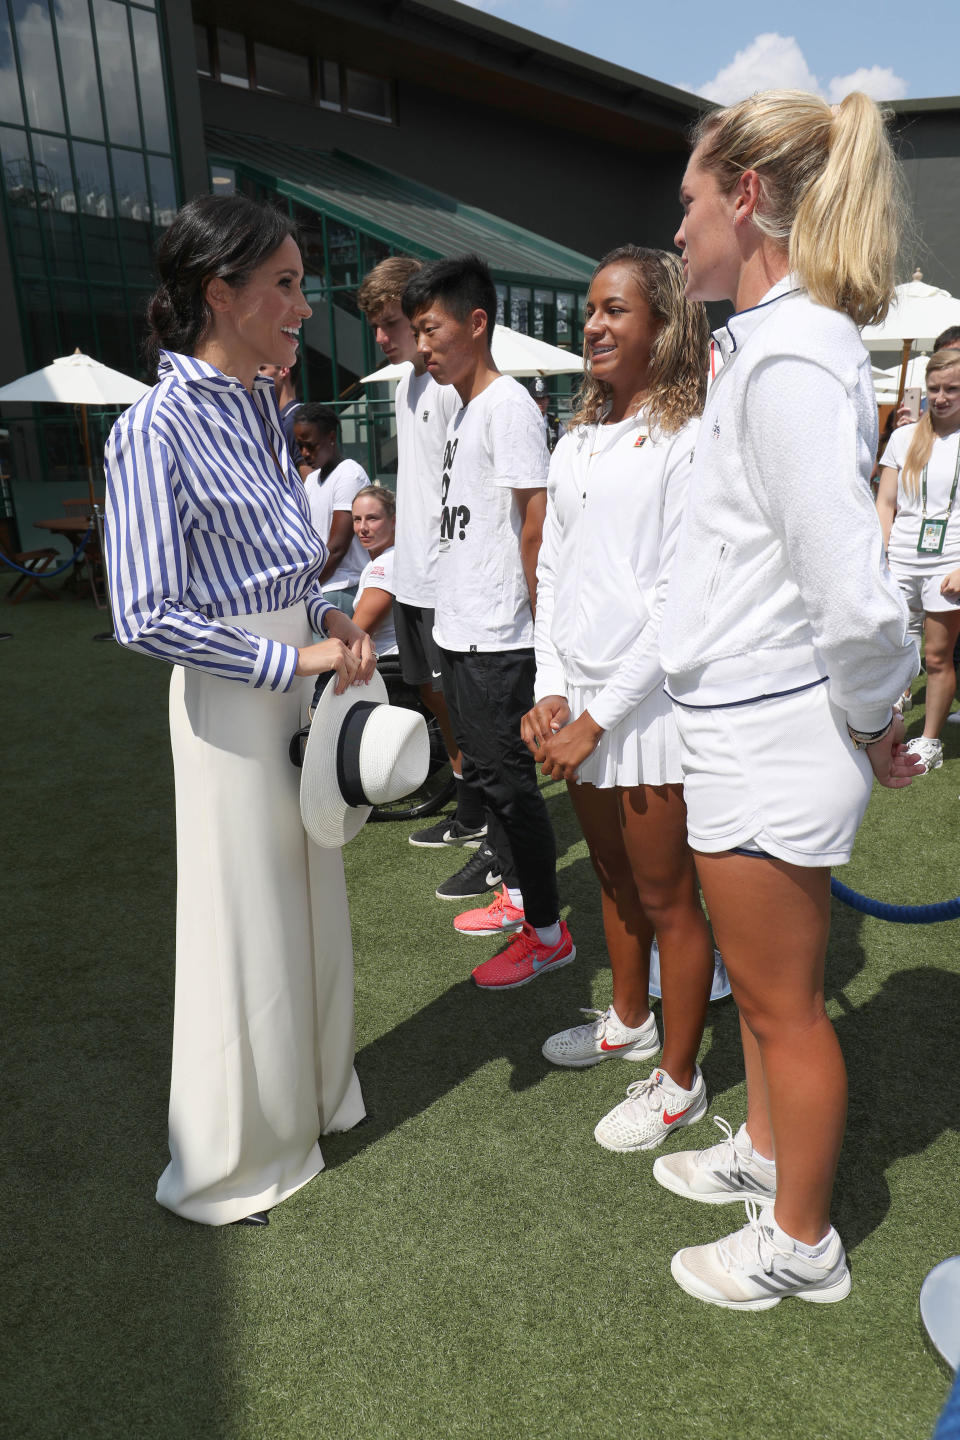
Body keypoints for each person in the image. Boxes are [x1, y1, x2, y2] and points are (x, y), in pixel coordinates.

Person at [653, 90, 920, 1309]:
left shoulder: (795, 358)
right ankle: (765, 1158)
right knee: (764, 1004)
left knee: (782, 1006)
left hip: (774, 728)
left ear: (746, 199)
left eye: (693, 203)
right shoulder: (770, 346)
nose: (682, 228)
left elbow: (855, 598)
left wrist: (876, 720)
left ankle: (801, 1243)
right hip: (745, 723)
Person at [103, 194, 375, 1227]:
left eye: (302, 283)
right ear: (220, 292)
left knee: (311, 893)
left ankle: (309, 1101)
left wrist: (333, 618)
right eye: (286, 285)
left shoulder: (262, 408)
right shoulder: (152, 427)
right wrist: (287, 656)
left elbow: (283, 565)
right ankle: (234, 1155)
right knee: (245, 916)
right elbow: (143, 612)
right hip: (229, 702)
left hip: (296, 675)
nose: (304, 306)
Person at [522, 246, 717, 1150]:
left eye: (615, 310)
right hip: (585, 708)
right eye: (590, 310)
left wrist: (599, 718)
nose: (593, 325)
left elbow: (683, 602)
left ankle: (680, 1079)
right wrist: (552, 693)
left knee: (668, 895)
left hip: (654, 710)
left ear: (664, 325)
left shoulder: (691, 439)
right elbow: (553, 573)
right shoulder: (574, 439)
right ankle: (628, 1018)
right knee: (609, 878)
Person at [403, 253, 574, 989]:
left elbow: (536, 519)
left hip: (502, 634)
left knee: (510, 786)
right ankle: (515, 896)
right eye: (416, 331)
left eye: (431, 329)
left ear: (476, 323)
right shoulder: (469, 408)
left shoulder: (506, 407)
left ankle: (548, 931)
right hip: (463, 625)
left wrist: (543, 633)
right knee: (488, 775)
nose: (422, 346)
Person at [356, 259, 491, 882]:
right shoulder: (405, 386)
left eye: (391, 325)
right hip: (410, 576)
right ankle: (469, 808)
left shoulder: (448, 386)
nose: (382, 338)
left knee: (468, 707)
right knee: (439, 701)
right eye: (379, 326)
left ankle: (486, 815)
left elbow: (465, 490)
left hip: (444, 580)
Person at [876, 348, 960, 770]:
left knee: (937, 657)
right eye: (934, 389)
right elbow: (886, 501)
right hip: (901, 560)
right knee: (894, 648)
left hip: (949, 563)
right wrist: (880, 553)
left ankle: (930, 741)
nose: (942, 397)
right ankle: (886, 726)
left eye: (952, 389)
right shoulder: (903, 437)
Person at [294, 403, 370, 614]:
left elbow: (337, 548)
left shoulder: (349, 474)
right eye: (300, 446)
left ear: (331, 437)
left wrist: (307, 586)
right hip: (320, 590)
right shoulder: (311, 480)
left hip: (343, 589)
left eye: (311, 445)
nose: (305, 453)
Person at [351, 483, 399, 657]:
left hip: (388, 667)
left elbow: (355, 634)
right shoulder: (378, 561)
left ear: (393, 520)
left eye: (372, 518)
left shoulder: (387, 563)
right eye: (357, 519)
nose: (362, 528)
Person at [529, 376, 563, 453]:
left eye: (543, 398)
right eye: (537, 398)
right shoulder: (526, 421)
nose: (541, 402)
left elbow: (565, 444)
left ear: (548, 399)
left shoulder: (555, 423)